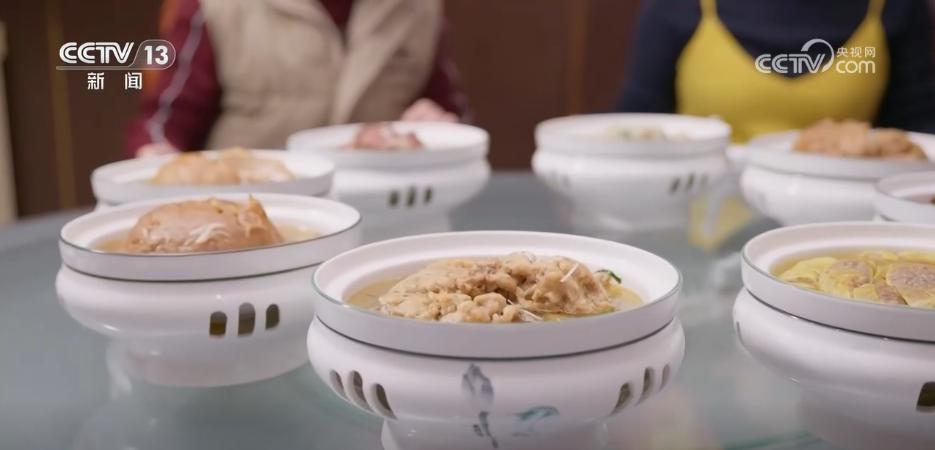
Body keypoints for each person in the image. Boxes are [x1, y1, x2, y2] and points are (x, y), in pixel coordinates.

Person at [126, 0, 468, 157]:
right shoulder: (214, 6)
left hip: (385, 210)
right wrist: (156, 158)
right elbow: (164, 123)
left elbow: (453, 115)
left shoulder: (418, 8)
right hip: (254, 212)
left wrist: (439, 128)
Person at [617, 0, 935, 141]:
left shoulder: (895, 7)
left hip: (847, 223)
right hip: (699, 218)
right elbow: (634, 123)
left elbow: (920, 129)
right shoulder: (679, 6)